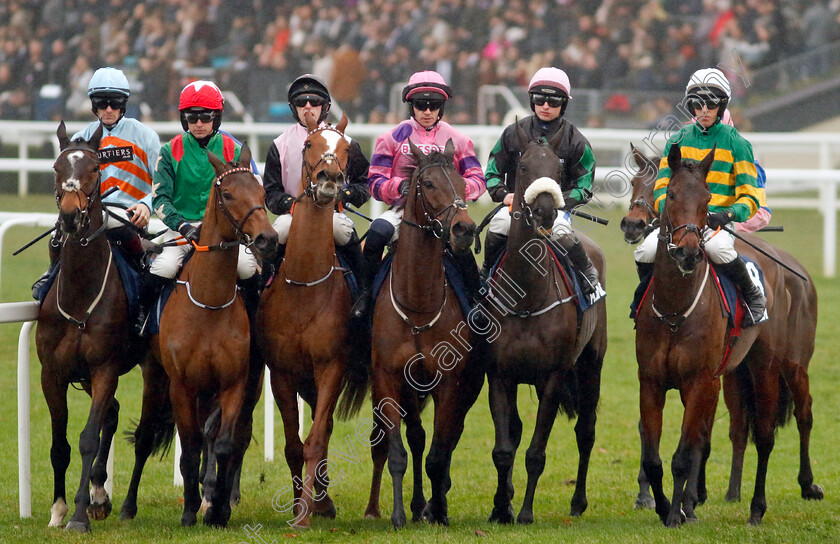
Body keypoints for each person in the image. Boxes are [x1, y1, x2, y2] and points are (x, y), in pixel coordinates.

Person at [634, 68, 766, 325]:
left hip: (716, 221)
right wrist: (671, 211)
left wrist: (726, 214)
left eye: (711, 104)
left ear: (722, 106)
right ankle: (644, 298)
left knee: (717, 248)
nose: (704, 110)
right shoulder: (678, 139)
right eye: (697, 104)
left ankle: (753, 295)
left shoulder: (738, 144)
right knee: (645, 251)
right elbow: (661, 188)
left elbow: (750, 198)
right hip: (679, 221)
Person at [138, 80, 261, 332]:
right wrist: (182, 226)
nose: (199, 124)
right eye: (192, 118)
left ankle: (257, 324)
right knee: (164, 267)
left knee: (247, 267)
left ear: (217, 117)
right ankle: (141, 324)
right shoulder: (169, 151)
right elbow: (160, 199)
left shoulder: (234, 150)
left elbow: (250, 192)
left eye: (205, 117)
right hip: (184, 230)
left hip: (226, 233)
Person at [32, 67, 160, 300]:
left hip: (130, 214)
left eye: (115, 102)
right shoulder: (81, 139)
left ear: (124, 103)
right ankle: (51, 274)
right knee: (58, 233)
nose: (109, 109)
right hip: (90, 211)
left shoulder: (145, 136)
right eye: (102, 103)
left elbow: (161, 184)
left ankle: (143, 275)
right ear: (93, 104)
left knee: (115, 225)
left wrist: (146, 205)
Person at [363, 70, 486, 311]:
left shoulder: (458, 140)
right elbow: (375, 181)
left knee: (462, 245)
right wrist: (398, 186)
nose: (427, 111)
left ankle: (475, 302)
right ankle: (365, 297)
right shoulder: (391, 138)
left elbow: (478, 179)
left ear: (442, 107)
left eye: (434, 105)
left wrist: (456, 192)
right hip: (403, 212)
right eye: (421, 105)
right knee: (377, 232)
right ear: (412, 106)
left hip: (446, 212)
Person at [482, 67, 599, 294]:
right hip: (516, 209)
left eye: (554, 101)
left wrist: (557, 202)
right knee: (499, 224)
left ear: (563, 104)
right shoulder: (511, 133)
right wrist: (503, 195)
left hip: (556, 211)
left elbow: (584, 186)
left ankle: (587, 271)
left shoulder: (576, 141)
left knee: (561, 230)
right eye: (540, 98)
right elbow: (492, 172)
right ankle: (486, 274)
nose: (546, 105)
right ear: (532, 100)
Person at [262, 74, 371, 315]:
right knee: (278, 231)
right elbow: (271, 192)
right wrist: (291, 205)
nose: (308, 107)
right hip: (293, 216)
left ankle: (363, 294)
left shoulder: (346, 143)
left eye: (314, 102)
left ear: (325, 107)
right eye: (302, 103)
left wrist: (346, 194)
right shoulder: (279, 144)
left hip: (331, 215)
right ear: (294, 108)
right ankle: (262, 289)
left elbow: (366, 183)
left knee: (344, 231)